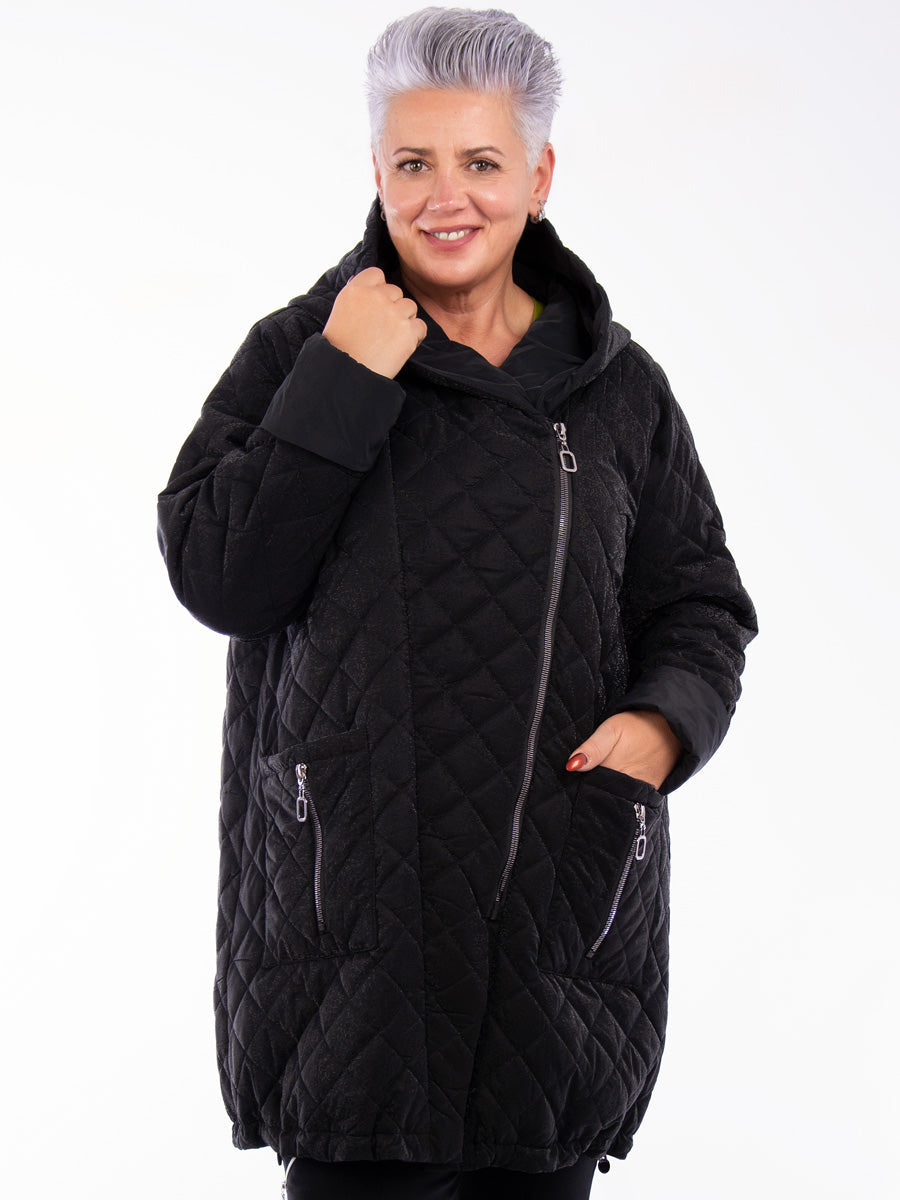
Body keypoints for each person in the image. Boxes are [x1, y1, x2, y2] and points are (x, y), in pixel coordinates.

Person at [157, 8, 757, 1198]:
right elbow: (219, 577)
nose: (447, 198)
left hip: (560, 915)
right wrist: (341, 378)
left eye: (482, 161)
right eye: (413, 162)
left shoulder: (618, 389)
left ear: (539, 176)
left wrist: (663, 725)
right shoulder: (302, 348)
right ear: (376, 170)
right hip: (350, 933)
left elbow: (701, 602)